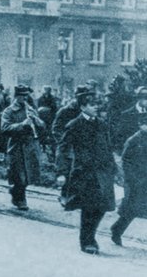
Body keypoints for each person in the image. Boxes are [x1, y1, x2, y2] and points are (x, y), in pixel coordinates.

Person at [61, 88, 116, 254]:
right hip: (85, 173)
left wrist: (113, 166)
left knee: (103, 207)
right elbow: (63, 148)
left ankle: (90, 235)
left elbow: (107, 146)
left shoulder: (101, 124)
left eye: (97, 105)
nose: (96, 108)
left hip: (103, 172)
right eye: (92, 105)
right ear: (83, 107)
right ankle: (87, 240)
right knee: (89, 207)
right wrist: (62, 171)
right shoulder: (74, 125)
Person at [1, 85, 45, 211]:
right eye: (22, 96)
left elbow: (42, 127)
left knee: (28, 174)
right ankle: (21, 198)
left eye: (26, 95)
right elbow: (4, 128)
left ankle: (16, 192)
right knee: (19, 174)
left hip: (30, 146)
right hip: (17, 146)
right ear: (17, 96)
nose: (25, 98)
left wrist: (36, 121)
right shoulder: (9, 111)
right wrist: (22, 125)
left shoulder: (30, 109)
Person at [110, 115, 147, 246]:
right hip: (136, 181)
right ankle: (117, 230)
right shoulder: (133, 140)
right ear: (140, 125)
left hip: (144, 180)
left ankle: (117, 229)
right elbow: (125, 161)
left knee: (137, 209)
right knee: (132, 209)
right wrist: (132, 179)